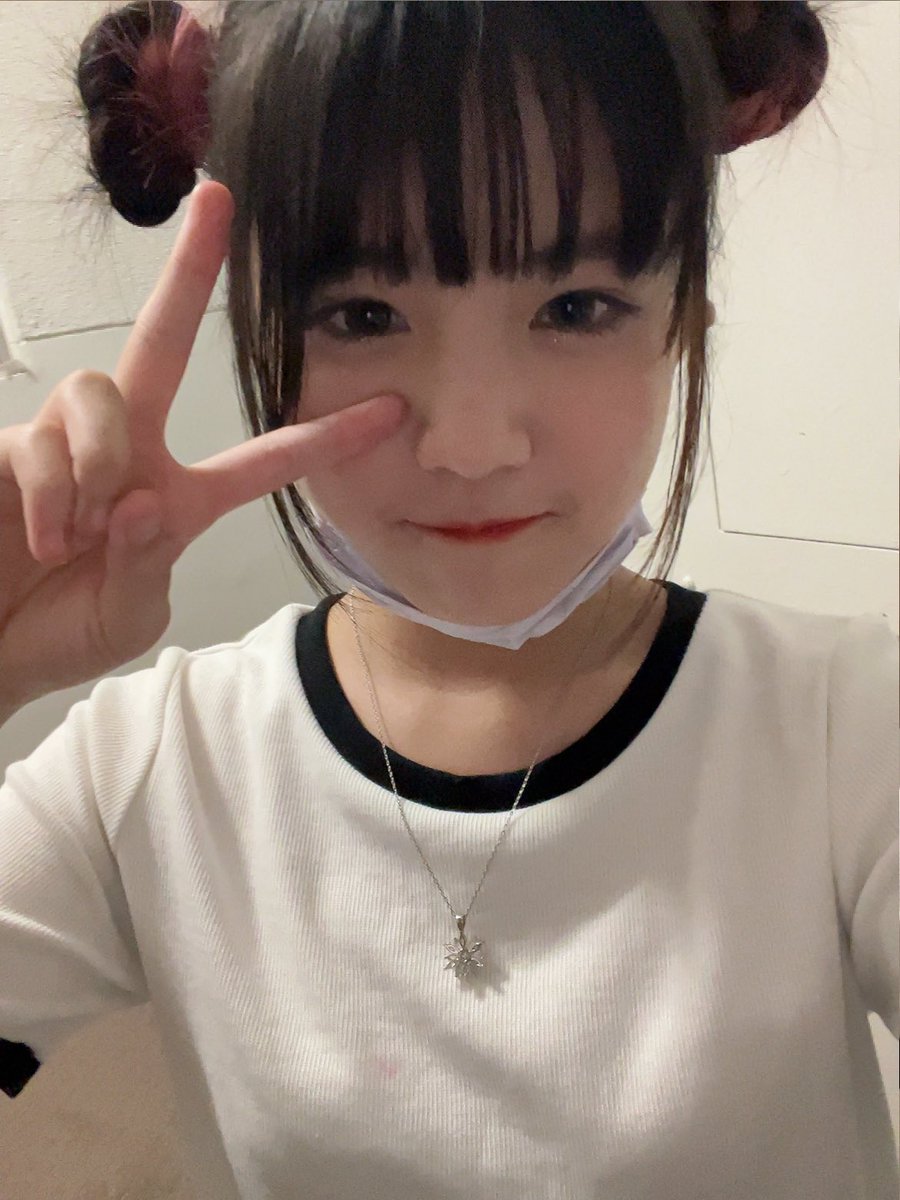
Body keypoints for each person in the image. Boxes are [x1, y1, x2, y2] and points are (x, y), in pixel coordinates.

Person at [0, 2, 895, 1198]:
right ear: (263, 332)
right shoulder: (151, 767)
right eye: (363, 316)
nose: (470, 446)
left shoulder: (846, 729)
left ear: (683, 316)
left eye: (574, 306)